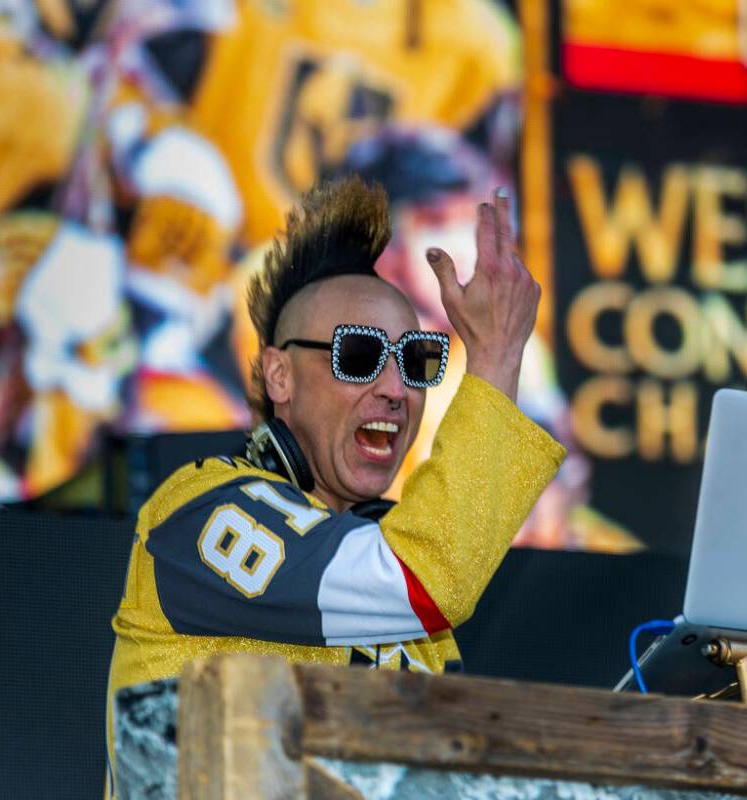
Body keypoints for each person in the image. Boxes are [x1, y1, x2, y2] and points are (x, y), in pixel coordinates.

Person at [105, 176, 566, 794]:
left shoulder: (399, 577)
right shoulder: (194, 511)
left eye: (418, 361)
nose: (397, 389)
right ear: (280, 376)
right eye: (359, 355)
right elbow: (421, 579)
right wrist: (498, 357)